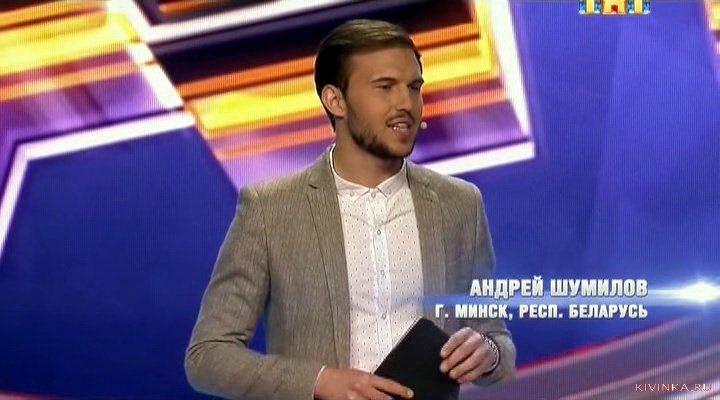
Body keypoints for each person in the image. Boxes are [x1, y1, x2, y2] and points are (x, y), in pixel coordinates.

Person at [185, 19, 516, 400]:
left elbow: (495, 338)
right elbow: (208, 356)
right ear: (335, 100)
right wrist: (318, 381)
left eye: (414, 87)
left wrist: (488, 354)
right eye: (384, 87)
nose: (405, 104)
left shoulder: (459, 204)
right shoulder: (270, 210)